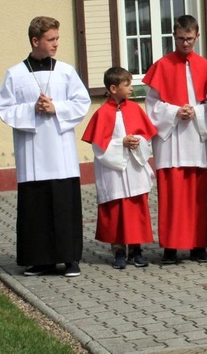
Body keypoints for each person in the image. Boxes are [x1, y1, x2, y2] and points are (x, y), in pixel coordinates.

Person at [0, 16, 91, 277]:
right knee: (36, 207)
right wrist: (32, 109)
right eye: (51, 39)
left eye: (57, 38)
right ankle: (40, 260)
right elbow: (4, 108)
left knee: (64, 204)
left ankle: (70, 258)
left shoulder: (66, 71)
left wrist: (55, 107)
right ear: (35, 40)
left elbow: (81, 102)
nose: (56, 44)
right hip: (32, 152)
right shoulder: (15, 74)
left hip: (61, 152)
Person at [143, 15, 207, 265]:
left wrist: (197, 110)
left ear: (197, 37)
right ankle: (171, 247)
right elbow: (151, 104)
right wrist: (175, 112)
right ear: (174, 37)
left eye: (190, 39)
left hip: (195, 136)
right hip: (171, 139)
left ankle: (197, 246)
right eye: (181, 39)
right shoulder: (162, 65)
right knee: (171, 193)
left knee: (196, 193)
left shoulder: (205, 66)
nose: (186, 43)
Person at [81, 67, 158, 269]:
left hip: (133, 169)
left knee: (135, 208)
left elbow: (146, 137)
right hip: (113, 172)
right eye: (127, 85)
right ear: (113, 88)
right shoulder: (102, 113)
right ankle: (118, 251)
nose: (131, 89)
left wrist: (137, 141)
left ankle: (136, 249)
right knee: (116, 210)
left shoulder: (134, 109)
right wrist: (120, 143)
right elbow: (99, 146)